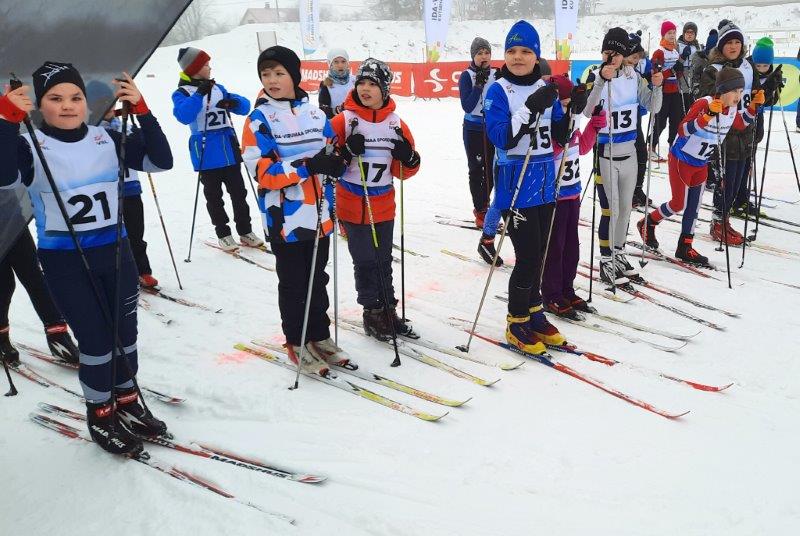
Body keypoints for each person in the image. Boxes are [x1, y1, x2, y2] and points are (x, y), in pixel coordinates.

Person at [0, 62, 172, 455]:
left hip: (116, 254)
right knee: (96, 340)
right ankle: (101, 414)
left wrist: (144, 112)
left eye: (75, 97)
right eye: (55, 98)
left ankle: (127, 400)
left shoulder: (106, 137)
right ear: (39, 105)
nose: (67, 105)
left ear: (86, 102)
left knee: (125, 335)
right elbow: (4, 177)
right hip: (66, 262)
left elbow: (161, 162)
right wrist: (6, 121)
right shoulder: (30, 145)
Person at [241, 45, 349, 373]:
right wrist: (307, 166)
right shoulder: (258, 120)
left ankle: (319, 335)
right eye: (266, 74)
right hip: (284, 218)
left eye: (279, 73)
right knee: (293, 283)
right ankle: (296, 340)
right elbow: (263, 173)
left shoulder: (315, 115)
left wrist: (340, 159)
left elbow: (332, 152)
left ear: (294, 76)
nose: (272, 80)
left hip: (320, 213)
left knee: (317, 278)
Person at [484, 20, 575, 355]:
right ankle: (516, 320)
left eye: (525, 51)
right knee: (527, 257)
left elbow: (559, 137)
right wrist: (530, 107)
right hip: (515, 181)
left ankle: (534, 312)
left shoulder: (545, 87)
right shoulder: (498, 90)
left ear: (536, 56)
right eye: (512, 50)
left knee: (541, 253)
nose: (518, 57)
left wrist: (569, 110)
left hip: (545, 181)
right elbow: (501, 137)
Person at [330, 58, 421, 342]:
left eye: (372, 84)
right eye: (362, 83)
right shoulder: (344, 121)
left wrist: (408, 158)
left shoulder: (396, 124)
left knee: (383, 260)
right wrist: (345, 151)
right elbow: (327, 163)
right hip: (353, 204)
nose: (365, 89)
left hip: (383, 203)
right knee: (365, 261)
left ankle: (388, 309)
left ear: (385, 89)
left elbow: (404, 171)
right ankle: (372, 312)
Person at [638, 67, 764, 265]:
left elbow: (740, 124)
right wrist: (705, 118)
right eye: (734, 91)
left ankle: (685, 246)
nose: (738, 96)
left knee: (694, 206)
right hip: (681, 159)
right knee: (678, 203)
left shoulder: (731, 108)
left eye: (741, 91)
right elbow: (683, 129)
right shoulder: (704, 103)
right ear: (723, 90)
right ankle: (649, 221)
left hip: (701, 162)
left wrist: (754, 107)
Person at [585, 27, 663, 286]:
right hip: (605, 153)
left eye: (617, 53)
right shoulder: (595, 74)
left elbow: (653, 106)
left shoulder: (633, 76)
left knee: (626, 209)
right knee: (611, 210)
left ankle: (618, 253)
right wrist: (600, 80)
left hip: (629, 151)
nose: (612, 57)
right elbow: (586, 110)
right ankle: (606, 260)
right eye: (607, 52)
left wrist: (657, 86)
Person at [172, 46, 263, 251]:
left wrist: (233, 102)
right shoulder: (182, 92)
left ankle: (245, 231)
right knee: (214, 197)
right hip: (206, 152)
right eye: (205, 65)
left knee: (239, 193)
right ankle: (223, 233)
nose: (210, 68)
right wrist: (199, 94)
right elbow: (183, 115)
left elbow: (245, 106)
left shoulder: (217, 88)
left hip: (228, 149)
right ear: (194, 68)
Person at [541, 75, 603, 319]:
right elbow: (554, 148)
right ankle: (551, 293)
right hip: (554, 196)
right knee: (554, 248)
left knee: (571, 248)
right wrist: (564, 130)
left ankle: (567, 288)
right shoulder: (550, 126)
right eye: (564, 105)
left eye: (570, 105)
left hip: (572, 193)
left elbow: (583, 147)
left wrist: (594, 125)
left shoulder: (572, 122)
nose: (569, 110)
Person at [698, 21, 761, 245]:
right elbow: (705, 99)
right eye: (729, 43)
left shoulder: (747, 66)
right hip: (723, 133)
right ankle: (718, 222)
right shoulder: (713, 69)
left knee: (737, 183)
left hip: (745, 131)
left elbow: (756, 95)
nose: (733, 46)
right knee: (725, 182)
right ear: (721, 46)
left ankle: (724, 220)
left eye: (737, 42)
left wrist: (768, 90)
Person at [0, 192, 79, 364]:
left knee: (34, 276)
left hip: (12, 215)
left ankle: (57, 335)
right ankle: (1, 337)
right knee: (4, 283)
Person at [732, 37, 783, 217]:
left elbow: (768, 101)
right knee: (740, 162)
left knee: (748, 160)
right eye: (758, 65)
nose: (761, 69)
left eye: (765, 66)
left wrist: (775, 89)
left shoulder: (771, 73)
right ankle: (736, 198)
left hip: (756, 119)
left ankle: (742, 196)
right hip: (741, 120)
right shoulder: (747, 70)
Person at [459, 37, 498, 228]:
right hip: (473, 128)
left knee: (492, 169)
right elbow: (467, 106)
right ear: (473, 56)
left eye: (487, 52)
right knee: (477, 170)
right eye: (479, 53)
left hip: (492, 127)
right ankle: (480, 209)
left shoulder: (497, 74)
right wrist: (478, 86)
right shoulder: (467, 75)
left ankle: (486, 204)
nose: (484, 56)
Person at [650, 21, 685, 162]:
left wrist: (680, 69)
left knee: (676, 121)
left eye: (674, 33)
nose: (672, 35)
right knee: (661, 122)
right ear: (663, 35)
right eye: (669, 33)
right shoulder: (659, 52)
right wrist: (672, 70)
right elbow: (655, 74)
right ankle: (651, 146)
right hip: (663, 91)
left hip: (675, 91)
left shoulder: (675, 52)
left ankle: (672, 148)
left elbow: (678, 75)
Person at [318, 48, 355, 119]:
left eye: (343, 61)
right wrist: (337, 110)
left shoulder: (355, 80)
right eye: (336, 62)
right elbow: (322, 110)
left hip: (355, 122)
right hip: (335, 122)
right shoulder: (326, 84)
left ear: (347, 63)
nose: (340, 65)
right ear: (330, 64)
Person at [677, 21, 701, 109]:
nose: (689, 35)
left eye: (692, 33)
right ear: (684, 33)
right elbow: (674, 63)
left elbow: (699, 65)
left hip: (693, 81)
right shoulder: (678, 45)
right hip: (681, 81)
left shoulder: (697, 47)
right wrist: (683, 57)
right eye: (687, 32)